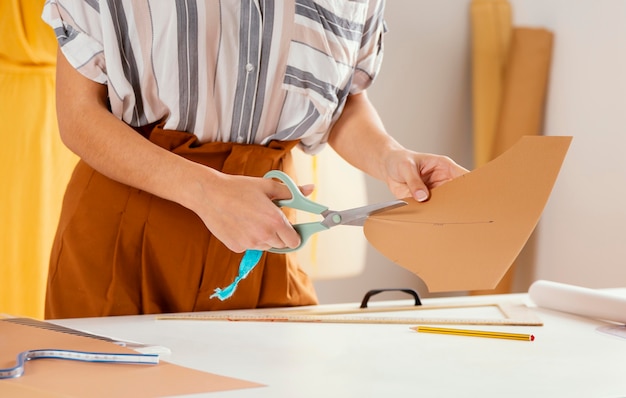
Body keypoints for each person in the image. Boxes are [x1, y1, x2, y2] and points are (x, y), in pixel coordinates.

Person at [42, 0, 467, 319]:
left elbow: (343, 105)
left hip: (268, 240)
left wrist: (392, 158)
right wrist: (207, 192)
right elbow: (78, 117)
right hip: (127, 234)